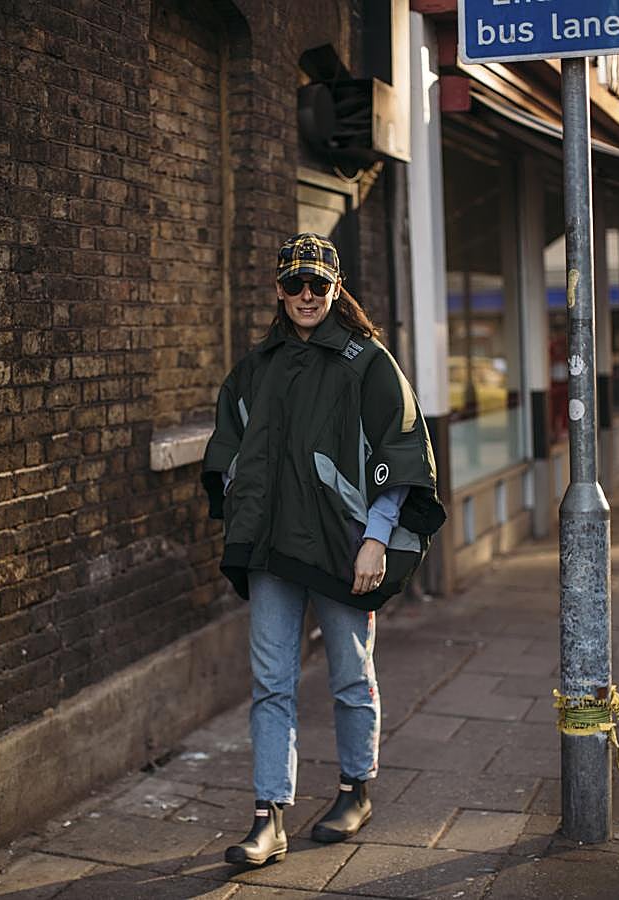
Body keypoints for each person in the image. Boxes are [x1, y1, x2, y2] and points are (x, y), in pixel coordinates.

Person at [201, 232, 445, 866]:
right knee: (270, 683)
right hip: (273, 549)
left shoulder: (368, 362)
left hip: (345, 550)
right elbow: (230, 449)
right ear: (279, 291)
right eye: (294, 285)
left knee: (349, 677)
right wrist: (241, 505)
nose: (306, 295)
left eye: (318, 284)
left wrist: (376, 540)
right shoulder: (255, 369)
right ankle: (268, 817)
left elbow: (400, 451)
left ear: (337, 290)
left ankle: (354, 791)